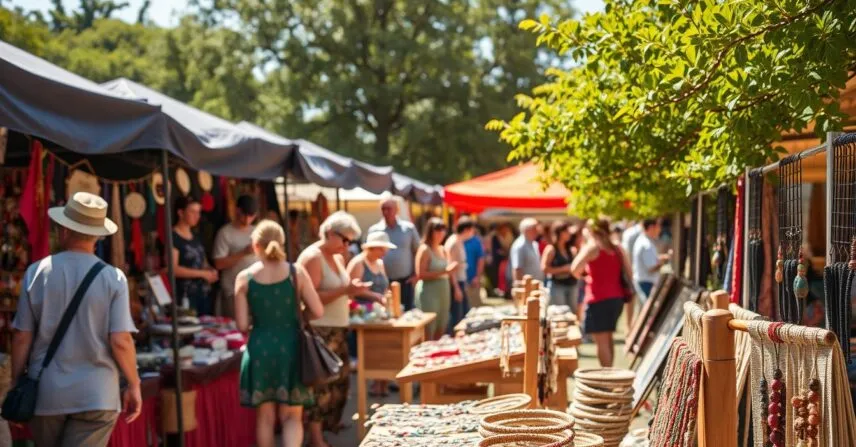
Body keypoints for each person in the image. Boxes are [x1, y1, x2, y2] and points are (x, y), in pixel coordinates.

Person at [11, 192, 141, 447]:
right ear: (98, 235)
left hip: (47, 393)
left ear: (63, 230)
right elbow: (121, 341)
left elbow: (21, 336)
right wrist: (134, 384)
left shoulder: (36, 272)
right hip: (97, 394)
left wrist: (16, 382)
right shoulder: (113, 279)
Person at [235, 220, 324, 447]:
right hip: (292, 347)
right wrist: (298, 316)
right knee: (292, 417)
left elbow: (243, 325)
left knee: (264, 418)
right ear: (282, 243)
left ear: (255, 245)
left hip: (260, 350)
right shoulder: (297, 273)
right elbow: (318, 311)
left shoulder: (244, 278)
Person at [297, 211, 370, 447]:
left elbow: (342, 288)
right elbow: (310, 299)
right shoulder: (312, 257)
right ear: (329, 233)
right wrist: (346, 291)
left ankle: (328, 427)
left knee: (339, 383)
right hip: (320, 330)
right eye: (345, 239)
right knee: (321, 386)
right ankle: (316, 438)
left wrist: (356, 291)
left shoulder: (336, 257)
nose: (347, 245)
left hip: (337, 329)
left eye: (351, 241)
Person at [571, 219, 634, 367]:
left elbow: (574, 270)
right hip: (616, 298)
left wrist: (586, 276)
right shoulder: (618, 248)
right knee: (608, 337)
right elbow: (629, 273)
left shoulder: (592, 248)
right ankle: (610, 373)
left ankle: (606, 375)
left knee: (602, 341)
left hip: (598, 298)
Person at [346, 231, 395, 396]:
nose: (385, 253)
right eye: (382, 249)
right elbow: (351, 292)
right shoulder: (358, 263)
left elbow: (385, 285)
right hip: (363, 314)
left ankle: (381, 383)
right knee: (370, 350)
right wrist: (374, 296)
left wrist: (386, 298)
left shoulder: (380, 263)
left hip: (379, 313)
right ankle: (373, 383)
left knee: (383, 347)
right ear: (373, 248)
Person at [368, 198, 420, 311]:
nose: (386, 212)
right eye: (383, 209)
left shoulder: (408, 228)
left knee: (406, 312)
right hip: (382, 282)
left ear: (397, 210)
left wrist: (416, 274)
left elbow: (418, 251)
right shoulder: (374, 231)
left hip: (406, 280)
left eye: (389, 209)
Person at [213, 195, 258, 318]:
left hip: (257, 290)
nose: (248, 220)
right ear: (237, 211)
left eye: (252, 216)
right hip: (233, 291)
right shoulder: (225, 233)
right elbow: (218, 263)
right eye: (245, 215)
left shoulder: (257, 231)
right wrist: (243, 253)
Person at [172, 196, 218, 315]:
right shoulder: (173, 237)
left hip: (203, 293)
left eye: (198, 212)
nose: (197, 216)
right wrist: (203, 274)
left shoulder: (196, 236)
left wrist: (210, 271)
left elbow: (203, 261)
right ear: (181, 213)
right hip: (185, 295)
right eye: (192, 211)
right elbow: (173, 269)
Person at [415, 218, 458, 340]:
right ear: (430, 232)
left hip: (443, 290)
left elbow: (448, 271)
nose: (441, 234)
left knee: (442, 323)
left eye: (443, 231)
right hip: (429, 292)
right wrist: (444, 272)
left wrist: (456, 287)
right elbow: (420, 274)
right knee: (429, 327)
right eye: (437, 231)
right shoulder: (424, 249)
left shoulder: (443, 249)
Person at [444, 216, 477, 333]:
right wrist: (456, 288)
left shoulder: (458, 241)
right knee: (457, 316)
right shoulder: (453, 242)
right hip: (456, 282)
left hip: (460, 280)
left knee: (463, 313)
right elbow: (451, 267)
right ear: (467, 229)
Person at [541, 221, 580, 312]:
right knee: (559, 312)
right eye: (566, 231)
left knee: (572, 312)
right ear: (559, 233)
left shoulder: (572, 250)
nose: (569, 233)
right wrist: (563, 269)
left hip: (572, 285)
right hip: (557, 285)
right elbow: (544, 269)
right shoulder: (551, 249)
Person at [632, 218, 671, 301]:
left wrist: (663, 257)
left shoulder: (643, 240)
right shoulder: (647, 245)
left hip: (643, 281)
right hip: (647, 283)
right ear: (651, 227)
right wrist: (664, 261)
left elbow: (650, 259)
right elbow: (651, 268)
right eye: (658, 227)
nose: (660, 229)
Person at [464, 225, 486, 308]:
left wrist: (477, 276)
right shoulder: (459, 240)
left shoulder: (476, 241)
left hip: (473, 278)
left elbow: (481, 260)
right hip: (461, 279)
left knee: (474, 306)